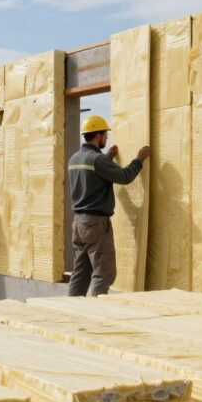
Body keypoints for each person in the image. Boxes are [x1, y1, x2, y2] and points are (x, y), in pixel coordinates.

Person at [67, 115, 151, 297]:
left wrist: (107, 158)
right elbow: (124, 176)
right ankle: (95, 314)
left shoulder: (74, 159)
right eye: (105, 134)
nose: (106, 138)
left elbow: (92, 176)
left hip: (78, 224)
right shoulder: (98, 160)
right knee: (104, 274)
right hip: (95, 224)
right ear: (98, 135)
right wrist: (139, 159)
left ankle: (70, 310)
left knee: (80, 274)